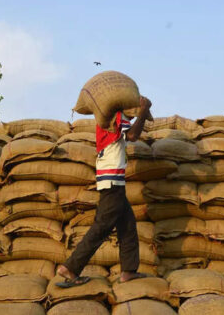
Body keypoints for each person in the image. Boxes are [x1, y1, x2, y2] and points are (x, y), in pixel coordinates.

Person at [56, 96, 152, 287]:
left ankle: (128, 271)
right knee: (102, 226)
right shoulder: (115, 116)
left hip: (110, 180)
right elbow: (132, 136)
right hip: (112, 181)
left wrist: (141, 112)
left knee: (127, 224)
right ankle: (71, 267)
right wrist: (142, 111)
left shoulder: (106, 119)